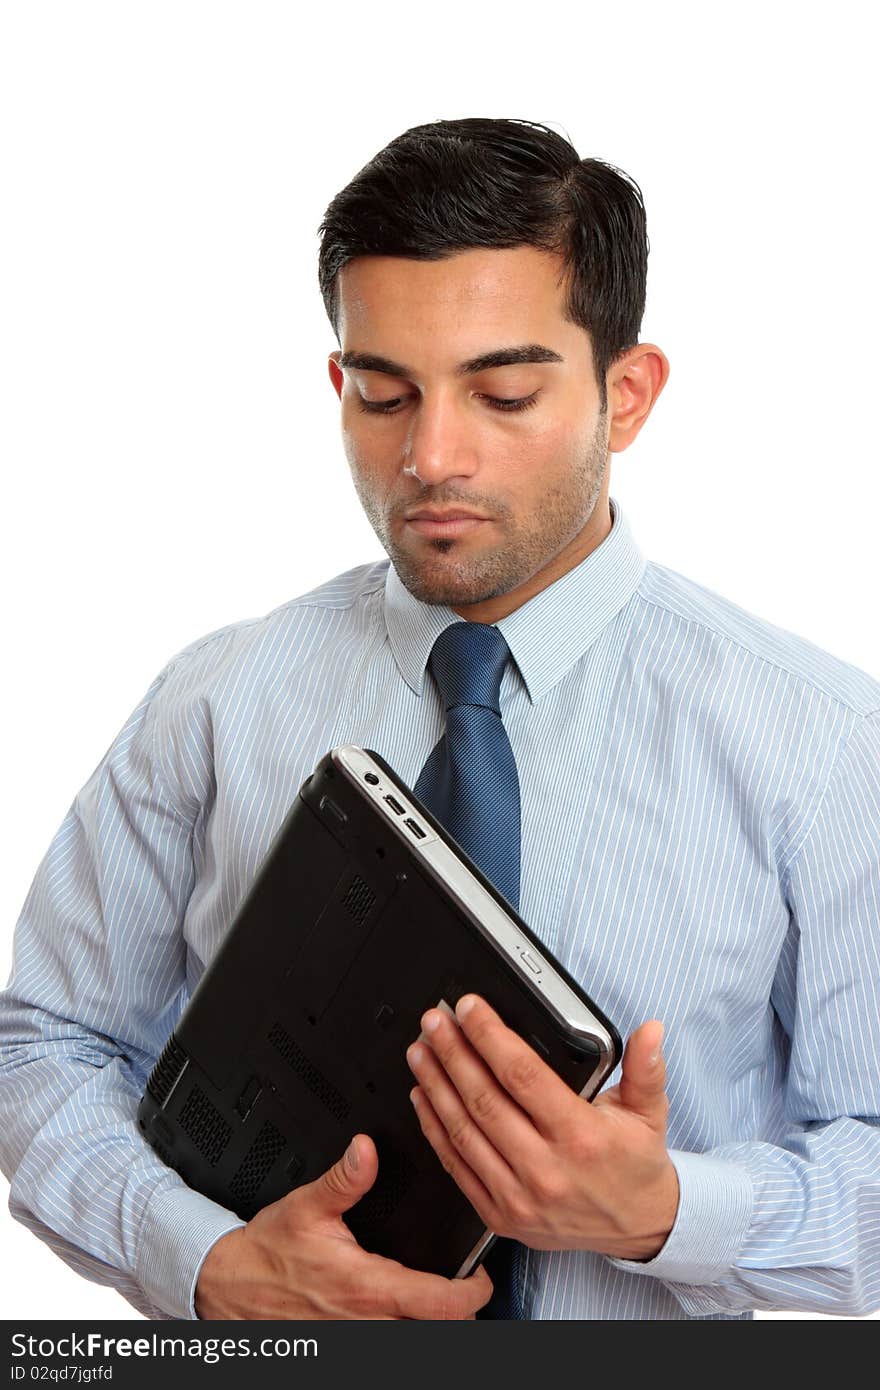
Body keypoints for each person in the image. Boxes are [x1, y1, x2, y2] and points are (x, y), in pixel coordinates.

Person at [1, 116, 879, 1323]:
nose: (430, 455)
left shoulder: (824, 746)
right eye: (382, 393)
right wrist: (206, 1263)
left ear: (627, 394)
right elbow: (42, 1041)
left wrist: (670, 1209)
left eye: (503, 392)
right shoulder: (215, 701)